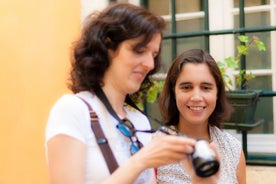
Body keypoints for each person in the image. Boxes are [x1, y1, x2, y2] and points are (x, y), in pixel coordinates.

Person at [45, 3, 220, 184]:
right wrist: (141, 160)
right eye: (139, 50)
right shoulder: (71, 110)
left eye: (153, 54)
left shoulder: (138, 120)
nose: (150, 64)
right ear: (107, 47)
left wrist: (201, 180)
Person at [156, 49, 246, 184]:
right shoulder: (155, 147)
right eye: (186, 87)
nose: (196, 97)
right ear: (173, 92)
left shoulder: (233, 148)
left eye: (205, 87)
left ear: (217, 93)